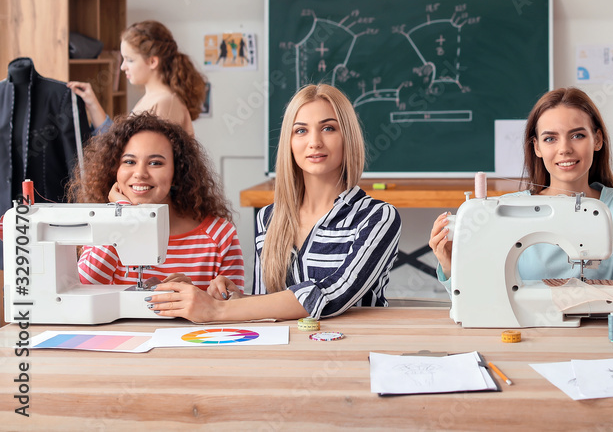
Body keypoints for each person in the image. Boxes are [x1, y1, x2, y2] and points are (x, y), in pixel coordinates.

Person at [145, 84, 401, 322]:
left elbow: (331, 296)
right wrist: (235, 299)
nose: (314, 142)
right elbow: (267, 306)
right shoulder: (269, 218)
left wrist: (217, 310)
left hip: (352, 352)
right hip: (287, 356)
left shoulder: (378, 217)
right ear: (289, 143)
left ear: (348, 137)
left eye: (328, 128)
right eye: (301, 130)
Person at [428, 87, 613, 322]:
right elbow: (476, 302)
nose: (564, 149)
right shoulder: (503, 211)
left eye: (577, 135)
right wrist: (452, 268)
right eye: (550, 138)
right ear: (537, 147)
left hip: (600, 332)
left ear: (597, 140)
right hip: (528, 334)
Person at [71, 112, 244, 289]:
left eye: (155, 163)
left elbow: (234, 306)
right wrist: (122, 216)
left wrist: (198, 297)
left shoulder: (220, 236)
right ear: (114, 170)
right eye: (129, 161)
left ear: (177, 173)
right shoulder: (104, 227)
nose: (140, 173)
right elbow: (84, 287)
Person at [68, 20, 207, 136]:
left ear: (152, 62)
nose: (122, 67)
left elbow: (145, 157)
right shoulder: (150, 100)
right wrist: (92, 103)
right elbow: (120, 143)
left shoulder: (165, 103)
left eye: (129, 60)